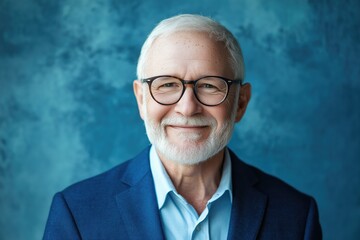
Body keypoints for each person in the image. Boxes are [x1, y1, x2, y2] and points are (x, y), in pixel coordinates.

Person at [43, 14, 322, 239]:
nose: (187, 107)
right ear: (141, 100)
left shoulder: (296, 216)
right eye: (167, 85)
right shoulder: (77, 214)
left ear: (240, 103)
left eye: (210, 86)